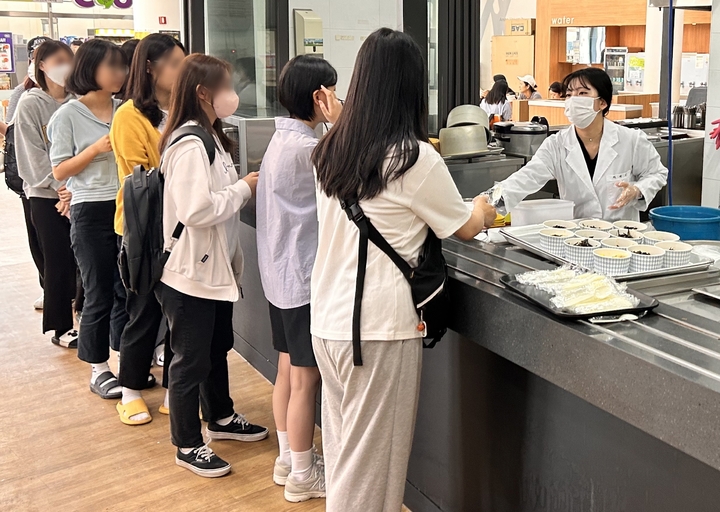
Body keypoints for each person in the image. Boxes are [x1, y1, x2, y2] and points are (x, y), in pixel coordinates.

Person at [310, 28, 496, 511]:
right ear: (412, 88)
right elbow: (467, 227)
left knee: (347, 457)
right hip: (379, 331)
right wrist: (484, 205)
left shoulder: (331, 149)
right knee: (371, 476)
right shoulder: (414, 158)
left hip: (329, 322)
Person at [156, 54, 268, 478]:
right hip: (189, 274)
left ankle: (220, 416)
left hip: (213, 271)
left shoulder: (211, 136)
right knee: (188, 360)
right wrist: (243, 188)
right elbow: (196, 209)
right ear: (203, 92)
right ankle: (187, 443)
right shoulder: (189, 142)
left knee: (215, 348)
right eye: (225, 85)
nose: (232, 93)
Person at [256, 55, 340, 502]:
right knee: (307, 379)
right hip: (303, 278)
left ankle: (289, 457)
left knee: (288, 368)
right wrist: (341, 122)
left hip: (280, 276)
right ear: (319, 96)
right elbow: (355, 173)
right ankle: (304, 476)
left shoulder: (283, 139)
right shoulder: (311, 149)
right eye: (333, 88)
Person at [110, 33, 186, 426]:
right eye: (175, 63)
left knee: (179, 314)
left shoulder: (183, 108)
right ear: (150, 68)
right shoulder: (128, 116)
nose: (181, 70)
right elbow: (141, 174)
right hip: (142, 228)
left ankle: (175, 389)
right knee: (142, 313)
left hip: (179, 228)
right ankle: (131, 390)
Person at [49, 39, 129, 401]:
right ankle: (98, 368)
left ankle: (127, 358)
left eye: (121, 66)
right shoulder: (67, 115)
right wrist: (96, 149)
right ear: (90, 69)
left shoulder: (125, 109)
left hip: (126, 208)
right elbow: (60, 170)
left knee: (127, 288)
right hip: (91, 210)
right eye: (112, 65)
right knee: (98, 292)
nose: (120, 73)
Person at [498, 68, 668, 221]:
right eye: (570, 94)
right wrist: (492, 201)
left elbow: (657, 173)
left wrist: (637, 190)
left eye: (582, 93)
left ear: (602, 102)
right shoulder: (556, 145)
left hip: (621, 239)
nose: (573, 100)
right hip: (577, 239)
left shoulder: (631, 140)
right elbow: (526, 178)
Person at [14, 40, 78, 348]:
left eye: (69, 58)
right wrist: (60, 188)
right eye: (57, 59)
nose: (65, 64)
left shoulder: (77, 100)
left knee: (81, 259)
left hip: (78, 193)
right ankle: (61, 327)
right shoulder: (31, 103)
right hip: (44, 194)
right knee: (56, 261)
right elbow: (32, 156)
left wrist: (73, 189)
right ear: (41, 65)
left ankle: (83, 316)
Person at [7, 36, 51, 311]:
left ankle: (67, 290)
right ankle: (49, 288)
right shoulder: (22, 96)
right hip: (32, 179)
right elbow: (12, 133)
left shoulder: (71, 96)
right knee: (40, 237)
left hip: (66, 182)